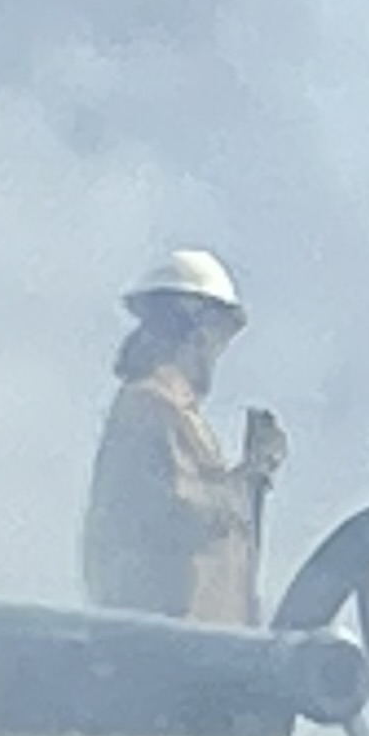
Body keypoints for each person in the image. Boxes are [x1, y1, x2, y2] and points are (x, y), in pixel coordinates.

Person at [80, 249, 288, 626]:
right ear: (195, 333)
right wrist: (250, 474)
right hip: (171, 640)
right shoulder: (150, 406)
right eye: (216, 338)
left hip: (196, 639)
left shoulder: (172, 413)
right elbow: (181, 508)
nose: (215, 354)